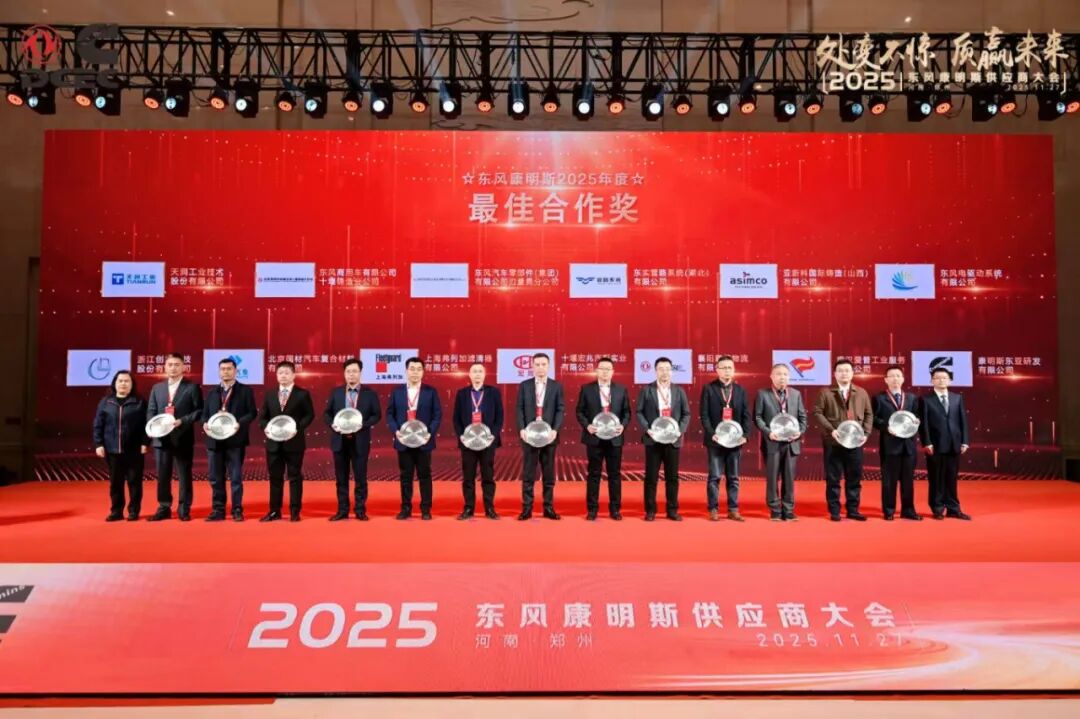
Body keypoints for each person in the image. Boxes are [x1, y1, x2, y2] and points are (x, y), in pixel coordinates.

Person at [813, 358, 875, 522]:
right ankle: (834, 510)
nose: (844, 373)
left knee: (854, 477)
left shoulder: (861, 392)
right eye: (840, 371)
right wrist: (831, 430)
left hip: (855, 442)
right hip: (833, 442)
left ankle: (853, 509)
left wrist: (866, 433)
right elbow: (817, 412)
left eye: (847, 370)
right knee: (833, 478)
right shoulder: (825, 392)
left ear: (853, 373)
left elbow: (869, 414)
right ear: (835, 374)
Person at [146, 353, 203, 521]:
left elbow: (199, 411)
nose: (173, 368)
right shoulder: (157, 388)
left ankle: (184, 508)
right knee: (163, 475)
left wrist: (182, 421)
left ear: (183, 367)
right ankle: (164, 507)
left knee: (184, 474)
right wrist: (153, 426)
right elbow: (151, 411)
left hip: (182, 436)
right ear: (165, 367)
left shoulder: (192, 387)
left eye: (177, 365)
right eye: (170, 364)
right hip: (161, 438)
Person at [324, 358, 382, 521]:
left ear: (360, 373)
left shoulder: (370, 394)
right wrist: (332, 424)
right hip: (339, 441)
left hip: (360, 441)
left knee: (360, 478)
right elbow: (327, 413)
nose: (351, 374)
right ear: (344, 374)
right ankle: (342, 510)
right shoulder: (336, 393)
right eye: (348, 371)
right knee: (341, 478)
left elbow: (377, 415)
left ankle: (360, 510)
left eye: (355, 371)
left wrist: (363, 425)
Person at [575, 357, 632, 521]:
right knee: (594, 474)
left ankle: (615, 509)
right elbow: (579, 411)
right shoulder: (587, 389)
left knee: (615, 475)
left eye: (608, 369)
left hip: (615, 437)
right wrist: (587, 426)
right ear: (597, 370)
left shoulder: (621, 389)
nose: (605, 372)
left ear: (613, 372)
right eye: (602, 368)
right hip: (594, 438)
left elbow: (627, 412)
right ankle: (592, 510)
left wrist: (623, 426)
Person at [258, 361, 315, 522]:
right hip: (273, 443)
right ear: (276, 375)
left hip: (294, 442)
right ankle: (274, 511)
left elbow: (309, 415)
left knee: (294, 477)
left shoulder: (302, 394)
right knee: (275, 477)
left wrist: (297, 427)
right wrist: (266, 428)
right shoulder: (270, 394)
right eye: (280, 373)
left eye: (286, 373)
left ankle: (295, 511)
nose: (283, 376)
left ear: (293, 375)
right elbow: (263, 417)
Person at [635, 356, 691, 521]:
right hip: (653, 439)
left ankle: (672, 510)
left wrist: (679, 431)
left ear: (672, 371)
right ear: (655, 371)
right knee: (651, 477)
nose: (664, 372)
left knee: (672, 477)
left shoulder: (679, 391)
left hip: (673, 440)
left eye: (667, 369)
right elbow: (639, 412)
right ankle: (650, 510)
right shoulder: (647, 390)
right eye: (661, 369)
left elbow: (686, 414)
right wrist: (648, 429)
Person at [202, 357, 257, 522]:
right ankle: (218, 509)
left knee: (236, 478)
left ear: (236, 371)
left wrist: (239, 423)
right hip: (214, 441)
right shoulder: (212, 392)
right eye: (222, 369)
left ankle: (237, 509)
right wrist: (205, 423)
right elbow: (204, 414)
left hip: (235, 441)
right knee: (215, 478)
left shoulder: (245, 390)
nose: (225, 372)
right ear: (219, 372)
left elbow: (252, 413)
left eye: (229, 369)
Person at [386, 357, 442, 520]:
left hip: (424, 440)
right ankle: (405, 508)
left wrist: (429, 432)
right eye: (412, 369)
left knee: (425, 476)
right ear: (406, 371)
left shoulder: (431, 392)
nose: (415, 372)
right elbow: (390, 414)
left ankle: (426, 509)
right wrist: (396, 431)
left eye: (419, 369)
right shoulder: (397, 392)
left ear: (423, 372)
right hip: (403, 440)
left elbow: (437, 415)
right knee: (406, 476)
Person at [700, 355, 752, 521]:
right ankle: (713, 509)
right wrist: (712, 434)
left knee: (733, 477)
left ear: (734, 370)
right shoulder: (708, 388)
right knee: (714, 477)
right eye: (723, 367)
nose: (727, 370)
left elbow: (746, 415)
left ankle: (733, 509)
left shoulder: (740, 390)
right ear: (717, 370)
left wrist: (745, 436)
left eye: (730, 367)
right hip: (715, 440)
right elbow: (704, 415)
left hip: (735, 441)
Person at [754, 364, 808, 521]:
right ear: (771, 376)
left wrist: (800, 432)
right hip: (772, 443)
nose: (782, 377)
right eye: (778, 374)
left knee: (789, 478)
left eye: (785, 374)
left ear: (789, 377)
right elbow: (758, 417)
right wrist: (768, 433)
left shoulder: (796, 394)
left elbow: (803, 418)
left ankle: (788, 509)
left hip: (791, 443)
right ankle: (775, 509)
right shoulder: (762, 394)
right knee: (772, 478)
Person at [92, 370, 148, 521]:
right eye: (120, 381)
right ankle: (116, 511)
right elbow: (98, 424)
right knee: (115, 483)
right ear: (115, 384)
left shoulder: (139, 402)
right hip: (112, 449)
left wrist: (145, 442)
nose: (123, 384)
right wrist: (98, 444)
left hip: (134, 450)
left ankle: (133, 511)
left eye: (127, 381)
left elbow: (146, 424)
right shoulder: (106, 402)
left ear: (132, 384)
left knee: (134, 482)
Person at [515, 353, 565, 521]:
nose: (540, 367)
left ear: (548, 366)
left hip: (549, 435)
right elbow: (519, 408)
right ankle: (526, 508)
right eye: (537, 364)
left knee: (548, 474)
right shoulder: (524, 385)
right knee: (528, 474)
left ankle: (548, 508)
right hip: (529, 435)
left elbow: (560, 409)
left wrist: (555, 430)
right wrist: (522, 429)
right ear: (532, 366)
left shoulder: (556, 386)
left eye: (543, 364)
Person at [452, 362, 504, 520]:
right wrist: (461, 435)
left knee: (488, 476)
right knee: (468, 477)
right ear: (469, 374)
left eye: (480, 371)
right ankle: (468, 508)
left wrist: (493, 435)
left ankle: (490, 508)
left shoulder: (493, 392)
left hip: (487, 440)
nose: (477, 374)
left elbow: (499, 416)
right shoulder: (462, 394)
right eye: (474, 371)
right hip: (468, 441)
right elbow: (456, 418)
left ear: (484, 374)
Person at [919, 367, 972, 520]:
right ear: (932, 381)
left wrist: (965, 441)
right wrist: (927, 442)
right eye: (937, 378)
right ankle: (937, 508)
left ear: (950, 380)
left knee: (951, 478)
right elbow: (924, 423)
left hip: (954, 444)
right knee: (936, 478)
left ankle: (953, 508)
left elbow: (962, 420)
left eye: (944, 378)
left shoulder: (957, 398)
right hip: (935, 445)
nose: (941, 380)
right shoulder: (925, 399)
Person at [872, 365, 922, 521]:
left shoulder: (912, 398)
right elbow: (873, 419)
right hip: (889, 445)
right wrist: (886, 427)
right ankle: (889, 510)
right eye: (891, 376)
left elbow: (917, 416)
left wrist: (917, 421)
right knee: (889, 481)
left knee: (908, 480)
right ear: (886, 380)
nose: (895, 379)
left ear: (903, 379)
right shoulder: (879, 398)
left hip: (908, 446)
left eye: (898, 375)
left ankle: (908, 510)